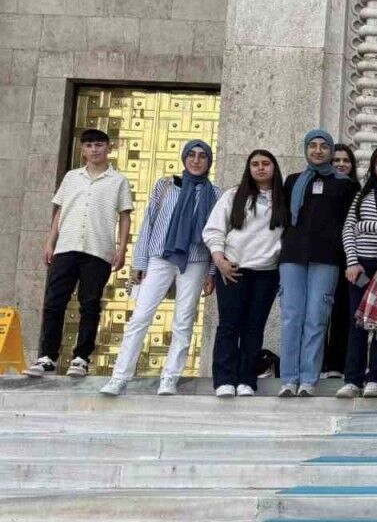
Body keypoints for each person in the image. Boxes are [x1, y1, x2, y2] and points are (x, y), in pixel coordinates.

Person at [101, 140, 220, 396]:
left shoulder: (215, 194)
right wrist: (139, 262)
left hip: (196, 261)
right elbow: (149, 223)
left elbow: (216, 236)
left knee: (183, 321)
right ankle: (119, 377)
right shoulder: (165, 185)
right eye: (191, 155)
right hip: (160, 257)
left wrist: (212, 272)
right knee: (140, 316)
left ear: (209, 161)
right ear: (184, 158)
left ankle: (170, 377)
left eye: (202, 156)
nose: (196, 160)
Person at [25, 129, 133, 378]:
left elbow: (125, 216)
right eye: (89, 145)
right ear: (82, 150)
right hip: (66, 247)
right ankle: (47, 357)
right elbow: (60, 212)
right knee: (54, 302)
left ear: (108, 147)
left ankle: (81, 358)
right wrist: (50, 243)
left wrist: (121, 248)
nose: (94, 149)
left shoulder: (118, 181)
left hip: (98, 250)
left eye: (99, 145)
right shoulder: (71, 177)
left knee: (90, 305)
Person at [275, 130, 356, 397]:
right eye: (313, 145)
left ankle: (308, 379)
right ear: (306, 149)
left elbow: (349, 225)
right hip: (293, 257)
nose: (318, 150)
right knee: (291, 317)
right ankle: (288, 379)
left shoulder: (345, 185)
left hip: (327, 258)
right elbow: (282, 219)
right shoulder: (293, 181)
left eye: (324, 146)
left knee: (316, 318)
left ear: (331, 151)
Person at [204, 149, 286, 398]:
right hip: (233, 269)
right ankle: (224, 380)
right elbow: (214, 230)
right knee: (229, 326)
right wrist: (220, 260)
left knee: (254, 328)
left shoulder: (284, 199)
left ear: (274, 167)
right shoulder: (233, 195)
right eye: (255, 164)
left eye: (266, 163)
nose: (260, 168)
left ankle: (247, 380)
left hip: (267, 273)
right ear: (249, 169)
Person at [336, 146, 377, 399]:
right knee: (358, 322)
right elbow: (348, 228)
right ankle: (352, 379)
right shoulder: (361, 194)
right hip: (361, 266)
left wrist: (366, 225)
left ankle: (376, 377)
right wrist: (352, 262)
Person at [323, 144, 359, 378]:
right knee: (320, 313)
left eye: (346, 160)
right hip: (323, 256)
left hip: (348, 258)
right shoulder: (319, 186)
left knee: (343, 311)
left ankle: (338, 364)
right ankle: (319, 364)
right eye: (336, 160)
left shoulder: (356, 189)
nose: (341, 164)